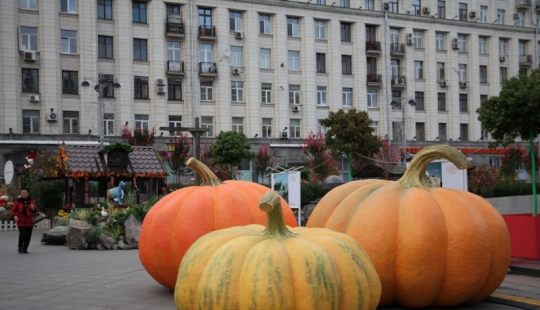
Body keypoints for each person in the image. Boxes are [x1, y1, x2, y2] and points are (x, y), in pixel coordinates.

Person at [10, 188, 39, 254]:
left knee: (28, 235)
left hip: (29, 221)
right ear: (20, 194)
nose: (23, 194)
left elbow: (35, 211)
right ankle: (20, 247)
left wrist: (33, 208)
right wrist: (14, 216)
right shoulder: (17, 202)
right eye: (22, 193)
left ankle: (25, 248)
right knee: (23, 234)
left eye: (25, 192)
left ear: (27, 193)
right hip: (21, 221)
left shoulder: (32, 201)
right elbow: (13, 210)